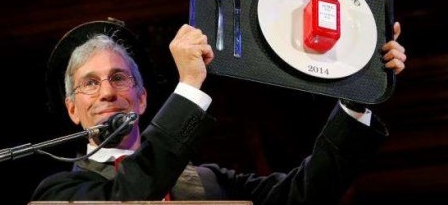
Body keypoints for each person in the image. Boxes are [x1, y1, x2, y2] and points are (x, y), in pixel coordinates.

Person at [31, 19, 406, 204]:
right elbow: (133, 196)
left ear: (142, 99)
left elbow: (302, 195)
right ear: (72, 109)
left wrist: (358, 96)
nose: (108, 92)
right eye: (90, 83)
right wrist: (190, 87)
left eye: (118, 78)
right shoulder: (59, 193)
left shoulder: (208, 181)